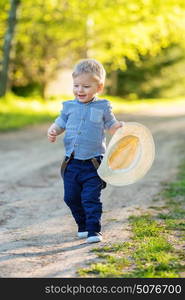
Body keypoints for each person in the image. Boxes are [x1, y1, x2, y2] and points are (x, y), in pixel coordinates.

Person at [47, 59, 123, 243]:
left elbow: (111, 124)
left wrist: (118, 128)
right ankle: (82, 225)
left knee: (90, 198)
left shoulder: (103, 106)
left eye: (86, 86)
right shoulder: (68, 106)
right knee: (70, 197)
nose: (80, 90)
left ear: (99, 87)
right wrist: (53, 130)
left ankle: (93, 230)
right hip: (71, 163)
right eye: (76, 86)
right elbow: (61, 123)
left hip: (94, 163)